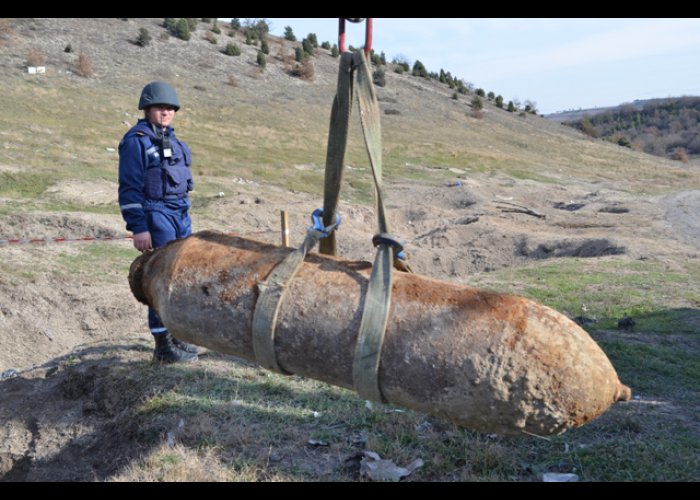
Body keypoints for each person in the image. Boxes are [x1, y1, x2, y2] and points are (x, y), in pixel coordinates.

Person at [118, 81, 199, 364]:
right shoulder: (135, 141)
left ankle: (178, 337)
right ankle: (163, 344)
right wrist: (138, 227)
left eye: (169, 108)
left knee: (179, 277)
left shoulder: (174, 142)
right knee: (160, 278)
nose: (165, 112)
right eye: (159, 108)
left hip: (180, 215)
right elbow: (129, 188)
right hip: (155, 214)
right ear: (147, 109)